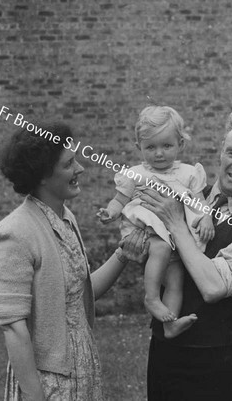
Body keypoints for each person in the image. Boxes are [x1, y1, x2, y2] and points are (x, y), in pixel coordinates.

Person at [0, 121, 146, 401]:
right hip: (45, 378)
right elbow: (13, 325)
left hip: (81, 365)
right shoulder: (13, 232)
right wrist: (33, 394)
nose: (80, 169)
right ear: (42, 176)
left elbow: (79, 294)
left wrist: (122, 254)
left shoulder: (66, 218)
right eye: (69, 164)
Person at [140, 108, 232, 401]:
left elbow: (214, 288)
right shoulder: (183, 192)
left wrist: (176, 224)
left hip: (215, 365)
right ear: (221, 151)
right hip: (163, 354)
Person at [97, 106, 214, 338]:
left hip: (177, 239)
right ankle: (151, 297)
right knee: (159, 248)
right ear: (138, 147)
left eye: (166, 146)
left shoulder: (189, 173)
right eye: (151, 147)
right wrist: (110, 213)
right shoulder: (135, 174)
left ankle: (170, 325)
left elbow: (200, 203)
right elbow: (119, 199)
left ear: (181, 144)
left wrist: (207, 218)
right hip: (148, 232)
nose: (159, 153)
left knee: (176, 281)